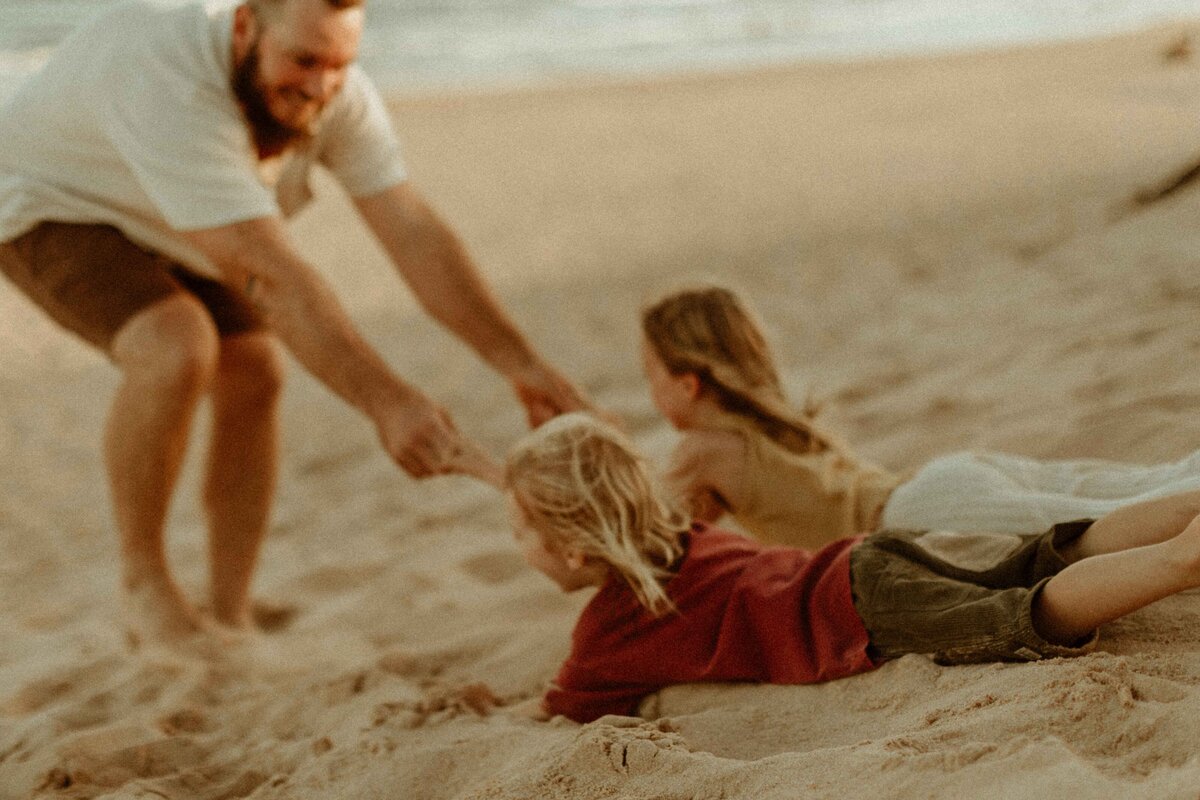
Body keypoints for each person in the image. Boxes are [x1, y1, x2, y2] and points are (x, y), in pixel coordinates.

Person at [0, 0, 583, 642]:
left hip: (174, 215)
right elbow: (272, 273)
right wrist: (389, 405)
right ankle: (145, 580)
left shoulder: (338, 96)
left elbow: (411, 229)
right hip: (47, 198)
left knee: (255, 373)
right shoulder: (168, 77)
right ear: (246, 25)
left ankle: (229, 608)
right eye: (303, 60)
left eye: (339, 64)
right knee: (177, 344)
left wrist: (521, 364)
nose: (320, 85)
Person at [503, 412, 1200, 724]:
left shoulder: (604, 637)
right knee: (1051, 552)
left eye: (519, 529)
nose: (516, 544)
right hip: (868, 554)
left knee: (1026, 612)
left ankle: (1180, 558)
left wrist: (501, 704)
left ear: (571, 551)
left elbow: (555, 708)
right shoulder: (685, 536)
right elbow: (589, 483)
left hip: (862, 609)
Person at [640, 284, 1200, 549]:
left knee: (1112, 521)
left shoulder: (701, 450)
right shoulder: (774, 420)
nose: (650, 392)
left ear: (688, 384)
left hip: (922, 510)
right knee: (1142, 485)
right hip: (945, 479)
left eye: (649, 378)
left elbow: (634, 526)